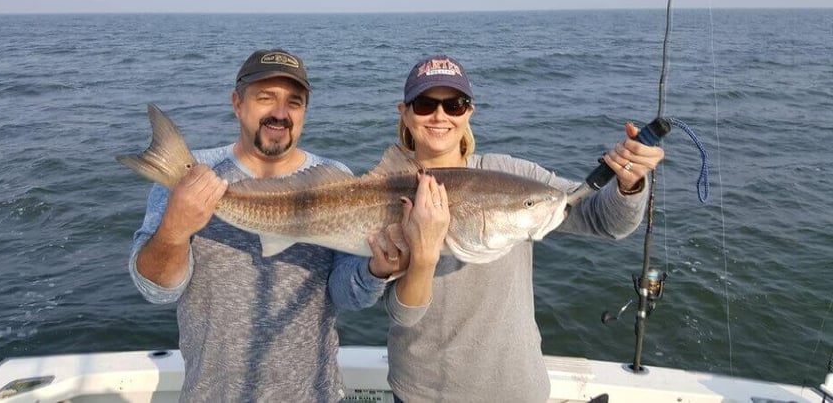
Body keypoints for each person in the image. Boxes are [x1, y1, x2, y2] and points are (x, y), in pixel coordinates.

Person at [128, 48, 406, 402]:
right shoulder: (193, 175)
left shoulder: (335, 180)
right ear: (237, 103)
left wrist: (375, 271)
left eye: (294, 102)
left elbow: (344, 295)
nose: (280, 113)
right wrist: (174, 229)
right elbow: (156, 290)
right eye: (265, 98)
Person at [383, 55, 665, 403]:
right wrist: (421, 255)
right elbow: (401, 314)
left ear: (469, 112)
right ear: (405, 112)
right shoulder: (384, 192)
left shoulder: (516, 177)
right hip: (424, 394)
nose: (440, 116)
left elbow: (605, 220)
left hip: (517, 390)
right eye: (426, 104)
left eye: (454, 105)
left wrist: (629, 183)